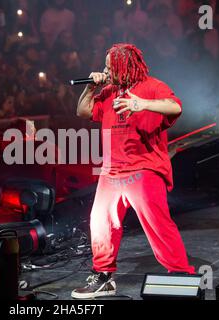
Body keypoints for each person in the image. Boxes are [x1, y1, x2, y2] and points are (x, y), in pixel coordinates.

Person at [72, 43, 195, 299]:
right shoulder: (107, 91)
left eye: (109, 66)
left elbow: (175, 107)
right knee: (101, 223)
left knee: (157, 223)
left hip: (144, 168)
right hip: (111, 171)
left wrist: (143, 104)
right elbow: (82, 111)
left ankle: (180, 274)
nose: (105, 70)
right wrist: (91, 87)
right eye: (105, 66)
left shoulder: (152, 86)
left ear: (124, 67)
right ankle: (104, 277)